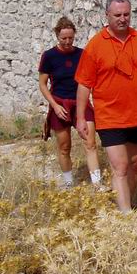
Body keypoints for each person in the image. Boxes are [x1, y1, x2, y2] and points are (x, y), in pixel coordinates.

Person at [75, 0, 137, 212]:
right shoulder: (95, 45)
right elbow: (84, 84)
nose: (123, 19)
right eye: (117, 15)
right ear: (107, 15)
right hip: (109, 117)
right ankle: (126, 217)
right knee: (120, 167)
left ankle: (126, 204)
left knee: (134, 165)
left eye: (126, 14)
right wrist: (80, 117)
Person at [38, 16, 101, 187]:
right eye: (63, 38)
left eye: (70, 38)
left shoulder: (81, 54)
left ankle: (97, 185)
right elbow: (42, 84)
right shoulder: (49, 56)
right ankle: (68, 184)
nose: (67, 42)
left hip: (81, 103)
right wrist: (54, 106)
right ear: (57, 36)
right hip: (59, 103)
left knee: (90, 143)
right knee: (64, 147)